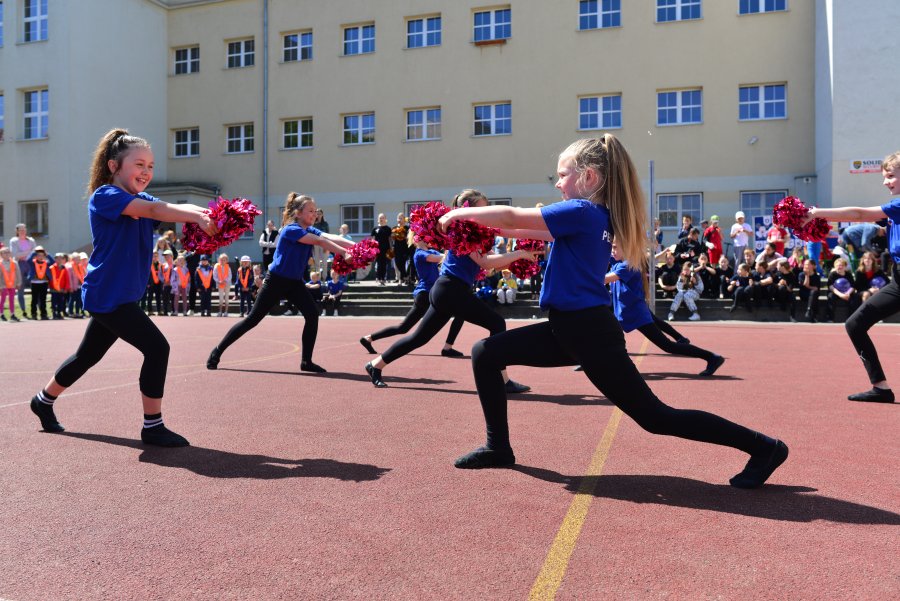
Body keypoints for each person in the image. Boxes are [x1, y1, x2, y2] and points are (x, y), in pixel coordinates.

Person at [438, 135, 787, 489]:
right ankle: (498, 448)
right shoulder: (593, 216)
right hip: (569, 329)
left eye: (562, 175)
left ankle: (764, 447)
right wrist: (479, 227)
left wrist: (457, 213)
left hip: (588, 334)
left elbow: (513, 216)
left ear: (589, 177)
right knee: (485, 352)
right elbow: (515, 227)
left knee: (656, 417)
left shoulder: (582, 211)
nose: (557, 183)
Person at [28, 128, 216, 446]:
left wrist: (214, 214)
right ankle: (152, 426)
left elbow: (171, 207)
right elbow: (159, 212)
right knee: (157, 348)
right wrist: (198, 218)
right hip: (108, 295)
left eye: (151, 166)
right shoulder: (106, 196)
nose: (146, 172)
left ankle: (42, 401)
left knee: (87, 356)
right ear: (114, 166)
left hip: (119, 295)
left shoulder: (141, 199)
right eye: (139, 164)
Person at [364, 189, 534, 393]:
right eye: (483, 207)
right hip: (450, 289)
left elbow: (491, 265)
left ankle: (375, 365)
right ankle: (501, 380)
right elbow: (486, 261)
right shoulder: (462, 230)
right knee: (497, 323)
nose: (487, 210)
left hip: (447, 290)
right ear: (468, 210)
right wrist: (519, 253)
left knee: (419, 338)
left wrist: (518, 255)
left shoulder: (476, 232)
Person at [207, 192, 354, 374]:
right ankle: (217, 351)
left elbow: (329, 236)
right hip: (276, 281)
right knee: (252, 320)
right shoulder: (290, 229)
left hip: (294, 282)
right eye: (310, 211)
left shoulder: (310, 229)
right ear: (298, 213)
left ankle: (306, 361)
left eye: (315, 211)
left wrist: (357, 248)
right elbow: (319, 241)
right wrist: (343, 252)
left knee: (312, 314)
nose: (314, 214)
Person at [806, 151, 900, 403]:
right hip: (898, 281)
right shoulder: (895, 212)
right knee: (855, 324)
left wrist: (816, 213)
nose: (885, 182)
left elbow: (858, 214)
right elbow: (882, 229)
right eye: (884, 177)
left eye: (890, 176)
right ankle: (880, 387)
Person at [607, 243, 723, 375]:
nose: (612, 250)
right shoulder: (616, 261)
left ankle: (711, 357)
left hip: (636, 315)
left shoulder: (628, 265)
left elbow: (604, 279)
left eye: (616, 247)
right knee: (606, 337)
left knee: (667, 346)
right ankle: (594, 361)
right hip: (626, 313)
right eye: (612, 247)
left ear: (627, 247)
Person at [359, 232, 466, 358]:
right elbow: (444, 258)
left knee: (403, 328)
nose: (428, 238)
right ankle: (447, 348)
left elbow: (445, 257)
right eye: (424, 236)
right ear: (417, 239)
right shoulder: (420, 254)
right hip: (425, 294)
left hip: (428, 294)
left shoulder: (432, 251)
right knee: (459, 313)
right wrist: (450, 242)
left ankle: (369, 338)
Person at [9, 223, 36, 319]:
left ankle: (35, 311)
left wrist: (24, 254)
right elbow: (15, 255)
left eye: (24, 229)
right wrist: (29, 252)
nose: (22, 231)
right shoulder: (14, 241)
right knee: (20, 288)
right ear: (17, 231)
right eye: (20, 230)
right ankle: (24, 311)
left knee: (35, 287)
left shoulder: (31, 240)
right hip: (19, 265)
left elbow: (35, 253)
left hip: (30, 265)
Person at [824, 257, 860, 322]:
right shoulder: (833, 274)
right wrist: (841, 295)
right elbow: (831, 286)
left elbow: (852, 286)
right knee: (831, 297)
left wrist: (848, 293)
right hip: (836, 293)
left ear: (845, 267)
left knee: (855, 297)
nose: (839, 267)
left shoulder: (848, 274)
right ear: (835, 267)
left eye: (841, 265)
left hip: (847, 292)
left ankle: (851, 318)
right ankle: (830, 318)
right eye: (838, 265)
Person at [28, 246, 52, 320]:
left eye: (42, 255)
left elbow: (53, 262)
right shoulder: (33, 263)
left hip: (44, 283)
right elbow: (28, 260)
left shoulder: (46, 263)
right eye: (38, 255)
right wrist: (33, 253)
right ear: (35, 256)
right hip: (34, 283)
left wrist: (47, 255)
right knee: (34, 299)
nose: (40, 257)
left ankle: (43, 314)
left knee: (43, 299)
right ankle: (34, 314)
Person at [0, 246, 22, 322]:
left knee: (12, 300)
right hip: (3, 285)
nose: (6, 254)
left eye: (8, 252)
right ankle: (1, 314)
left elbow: (18, 273)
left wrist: (19, 283)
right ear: (1, 255)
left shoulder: (14, 263)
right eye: (4, 253)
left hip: (13, 284)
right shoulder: (0, 264)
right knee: (2, 300)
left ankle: (12, 314)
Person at [797, 258, 821, 322]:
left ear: (813, 266)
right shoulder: (801, 274)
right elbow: (805, 285)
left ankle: (809, 310)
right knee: (813, 295)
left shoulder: (817, 276)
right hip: (804, 293)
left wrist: (809, 287)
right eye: (804, 264)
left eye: (807, 264)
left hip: (813, 294)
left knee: (813, 294)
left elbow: (817, 288)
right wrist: (807, 275)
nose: (805, 266)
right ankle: (814, 315)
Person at [371, 213, 392, 285]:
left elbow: (390, 239)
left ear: (385, 219)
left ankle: (383, 279)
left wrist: (391, 248)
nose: (381, 219)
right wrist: (372, 249)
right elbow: (373, 240)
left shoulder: (388, 229)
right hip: (377, 249)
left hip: (386, 249)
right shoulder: (375, 228)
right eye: (380, 218)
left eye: (383, 218)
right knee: (379, 264)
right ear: (378, 219)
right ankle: (379, 278)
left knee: (384, 264)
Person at [48, 252, 70, 320]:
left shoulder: (64, 268)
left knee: (61, 301)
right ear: (55, 259)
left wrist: (66, 288)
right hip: (54, 289)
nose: (59, 260)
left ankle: (59, 313)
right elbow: (49, 278)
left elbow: (67, 279)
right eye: (58, 258)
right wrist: (50, 286)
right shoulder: (51, 268)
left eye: (61, 258)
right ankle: (54, 313)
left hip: (62, 289)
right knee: (54, 301)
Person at [392, 213, 411, 285]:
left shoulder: (407, 228)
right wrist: (394, 235)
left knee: (402, 264)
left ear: (404, 219)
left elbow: (409, 238)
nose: (399, 219)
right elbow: (392, 238)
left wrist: (404, 236)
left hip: (404, 248)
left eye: (401, 218)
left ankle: (401, 279)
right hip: (396, 248)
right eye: (398, 218)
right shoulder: (394, 228)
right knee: (397, 264)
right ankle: (406, 276)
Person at [213, 253, 233, 317]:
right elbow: (214, 275)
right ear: (219, 260)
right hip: (220, 284)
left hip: (227, 284)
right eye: (221, 260)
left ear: (226, 261)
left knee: (226, 298)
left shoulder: (228, 267)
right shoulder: (216, 267)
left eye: (224, 260)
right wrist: (218, 281)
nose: (222, 261)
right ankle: (220, 311)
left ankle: (226, 312)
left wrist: (225, 280)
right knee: (221, 298)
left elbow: (230, 276)